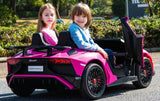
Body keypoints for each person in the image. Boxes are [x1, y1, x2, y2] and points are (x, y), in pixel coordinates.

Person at [68, 3, 121, 68]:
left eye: (84, 16)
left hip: (87, 50)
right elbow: (80, 44)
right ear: (73, 17)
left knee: (109, 52)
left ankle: (112, 67)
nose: (81, 19)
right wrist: (98, 49)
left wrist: (100, 49)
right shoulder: (74, 27)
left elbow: (91, 42)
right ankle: (113, 69)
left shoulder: (84, 28)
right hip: (80, 52)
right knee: (109, 52)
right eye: (78, 16)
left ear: (88, 18)